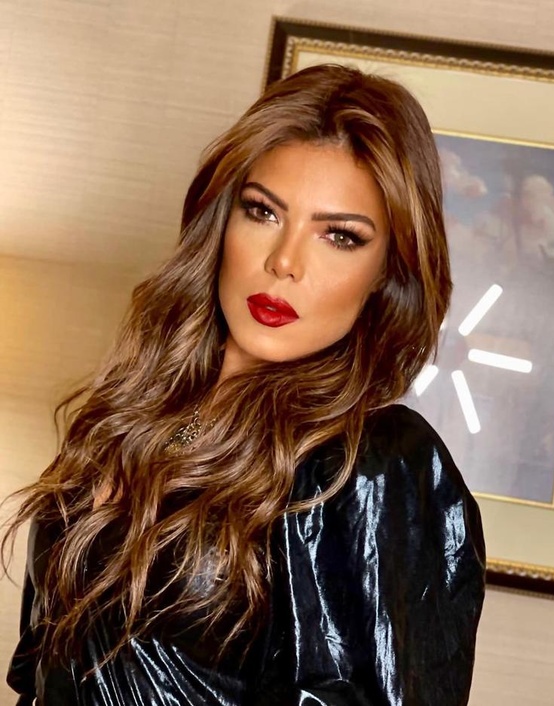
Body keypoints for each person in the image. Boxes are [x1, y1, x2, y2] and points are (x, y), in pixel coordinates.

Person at [3, 63, 485, 705]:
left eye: (340, 236)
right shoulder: (123, 420)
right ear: (222, 221)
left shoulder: (370, 463)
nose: (284, 262)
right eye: (263, 212)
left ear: (385, 273)